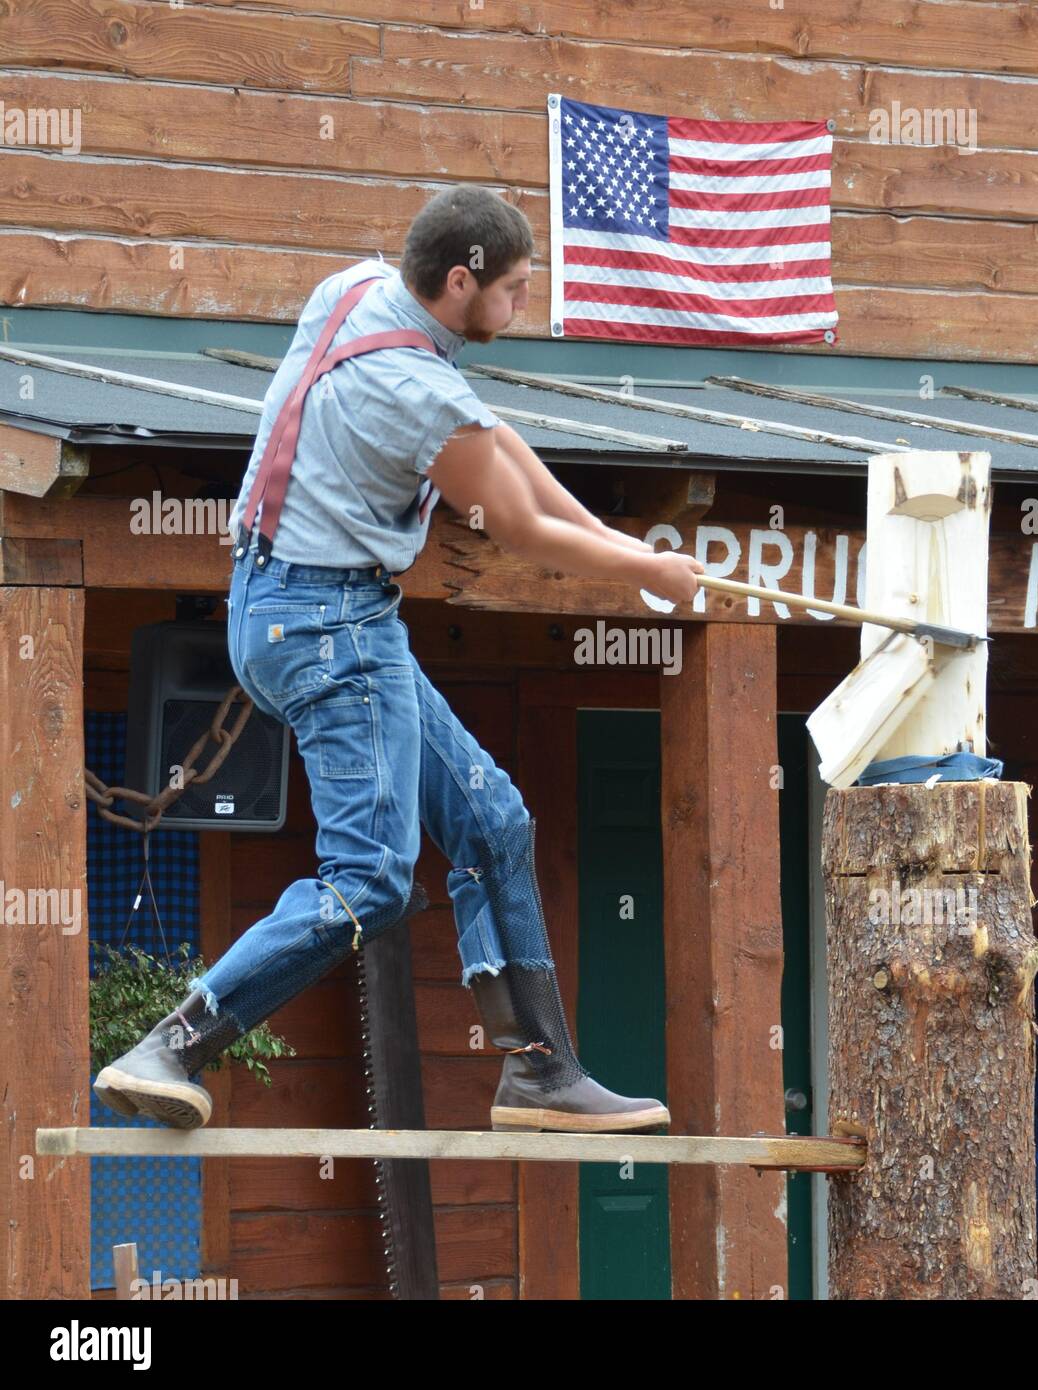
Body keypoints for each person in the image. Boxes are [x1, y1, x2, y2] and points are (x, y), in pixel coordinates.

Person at [92, 186, 705, 1133]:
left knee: (494, 820)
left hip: (283, 606)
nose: (522, 304)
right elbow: (515, 522)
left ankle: (540, 1068)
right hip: (333, 625)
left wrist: (632, 547)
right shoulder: (418, 394)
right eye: (512, 288)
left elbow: (500, 446)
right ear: (460, 282)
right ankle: (175, 1043)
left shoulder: (360, 288)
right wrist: (645, 572)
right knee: (372, 876)